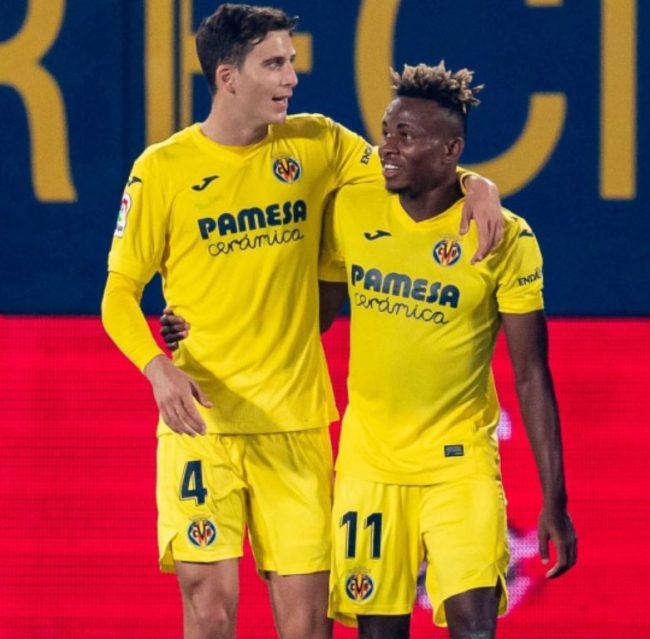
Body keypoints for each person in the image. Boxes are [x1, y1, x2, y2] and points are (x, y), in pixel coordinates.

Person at [101, 3, 504, 638]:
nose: (291, 77)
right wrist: (157, 369)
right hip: (203, 423)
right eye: (274, 64)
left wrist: (479, 184)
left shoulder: (318, 144)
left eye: (290, 62)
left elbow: (414, 170)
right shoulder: (162, 169)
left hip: (295, 425)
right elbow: (119, 293)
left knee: (308, 625)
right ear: (228, 77)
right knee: (209, 609)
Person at [315, 62, 578, 638]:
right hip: (369, 467)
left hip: (459, 468)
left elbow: (531, 375)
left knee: (474, 627)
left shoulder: (504, 236)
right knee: (378, 633)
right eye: (387, 131)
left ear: (450, 150)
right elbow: (313, 319)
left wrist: (553, 499)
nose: (387, 147)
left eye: (406, 136)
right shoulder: (352, 208)